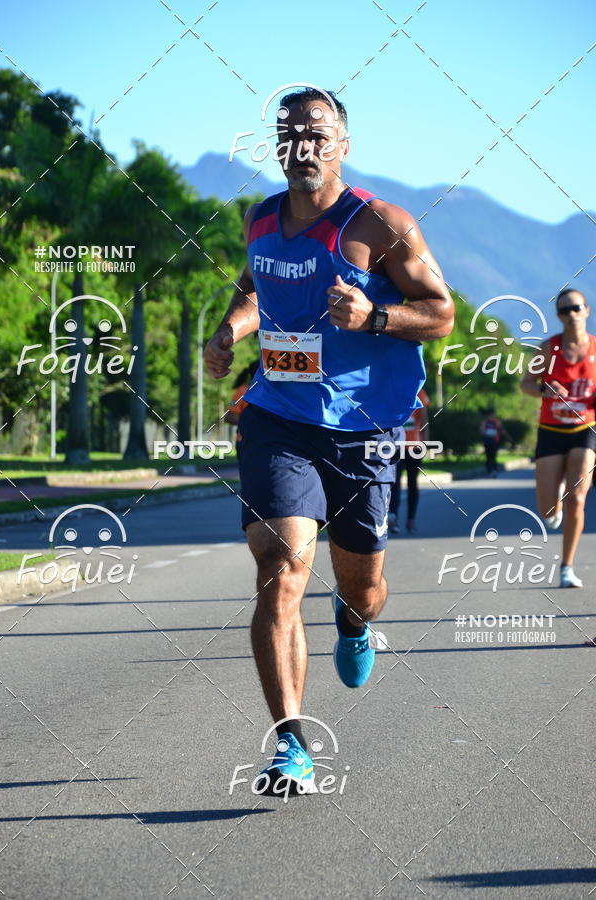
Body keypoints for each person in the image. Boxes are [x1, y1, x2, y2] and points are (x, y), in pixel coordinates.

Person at [204, 87, 453, 794]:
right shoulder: (259, 221)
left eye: (316, 133)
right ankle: (291, 746)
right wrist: (232, 330)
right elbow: (256, 288)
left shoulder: (379, 223)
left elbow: (441, 314)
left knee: (361, 589)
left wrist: (376, 317)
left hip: (362, 430)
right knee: (280, 570)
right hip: (277, 415)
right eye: (290, 134)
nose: (302, 145)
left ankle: (353, 624)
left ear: (342, 144)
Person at [521, 288, 596, 589]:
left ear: (587, 311)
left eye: (576, 308)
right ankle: (555, 503)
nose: (572, 314)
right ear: (559, 316)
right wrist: (544, 390)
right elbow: (525, 383)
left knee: (579, 497)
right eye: (565, 310)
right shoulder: (548, 350)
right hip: (551, 430)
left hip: (585, 431)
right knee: (548, 511)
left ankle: (566, 567)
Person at [388, 388, 429, 534]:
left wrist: (425, 441)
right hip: (397, 446)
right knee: (396, 483)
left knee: (409, 483)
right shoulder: (395, 387)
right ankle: (395, 519)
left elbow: (424, 419)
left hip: (413, 447)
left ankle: (409, 519)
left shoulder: (420, 392)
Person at [479, 408, 509, 477]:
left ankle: (494, 470)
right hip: (487, 441)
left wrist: (509, 438)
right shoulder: (485, 422)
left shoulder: (497, 422)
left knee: (494, 456)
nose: (490, 416)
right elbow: (481, 430)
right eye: (489, 415)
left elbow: (502, 430)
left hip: (495, 441)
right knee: (488, 456)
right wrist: (487, 433)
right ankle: (489, 471)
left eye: (492, 415)